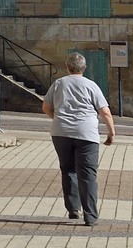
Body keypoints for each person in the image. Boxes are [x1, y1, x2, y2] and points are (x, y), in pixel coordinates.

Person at [41, 52, 116, 226]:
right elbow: (105, 112)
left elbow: (45, 107)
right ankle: (90, 215)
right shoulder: (91, 85)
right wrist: (111, 132)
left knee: (68, 169)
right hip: (87, 134)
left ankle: (73, 209)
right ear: (85, 68)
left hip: (61, 132)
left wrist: (57, 118)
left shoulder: (58, 84)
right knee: (88, 174)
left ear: (67, 67)